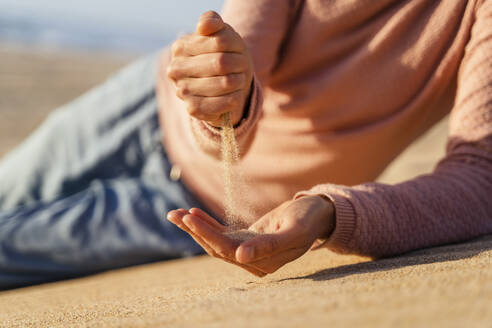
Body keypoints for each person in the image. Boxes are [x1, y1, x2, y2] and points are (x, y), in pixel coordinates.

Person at [0, 0, 491, 288]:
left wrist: (331, 211)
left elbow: (480, 175)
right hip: (145, 102)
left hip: (203, 210)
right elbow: (248, 45)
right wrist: (223, 93)